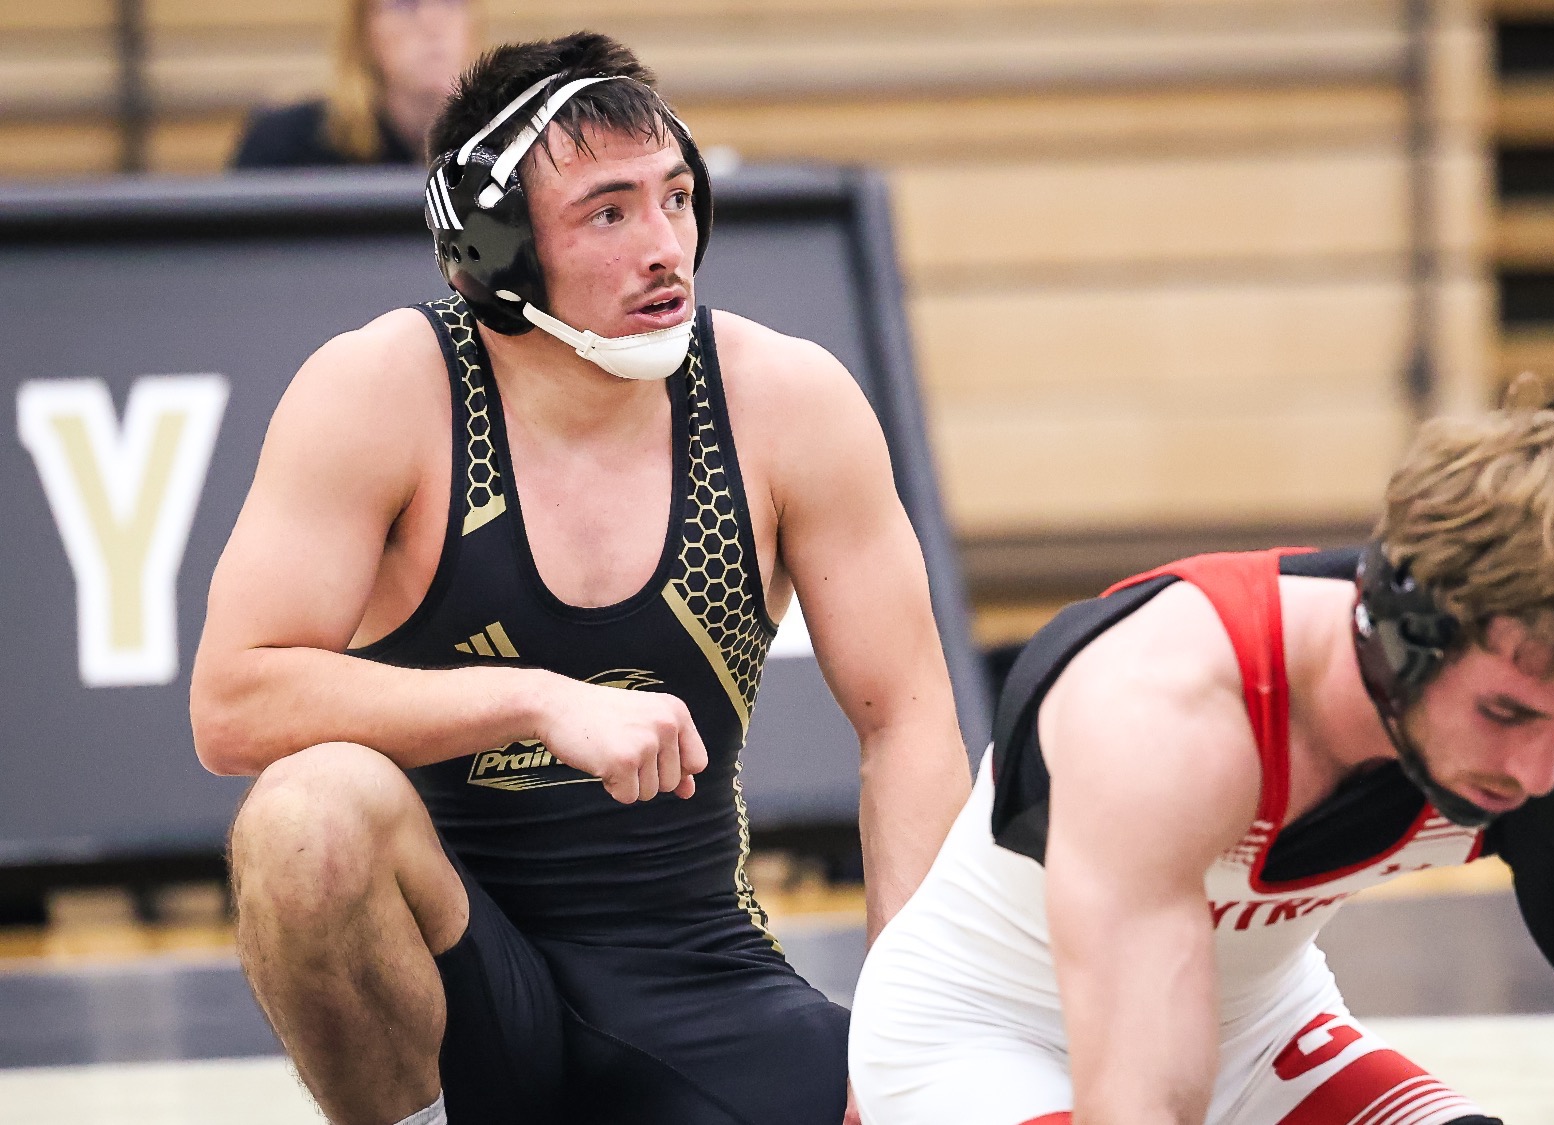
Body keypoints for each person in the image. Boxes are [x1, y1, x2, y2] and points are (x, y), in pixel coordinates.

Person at [191, 32, 971, 1125]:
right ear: (495, 256)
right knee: (303, 816)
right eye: (608, 213)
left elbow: (909, 722)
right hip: (453, 984)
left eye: (676, 199)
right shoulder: (379, 393)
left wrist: (906, 1045)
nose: (664, 248)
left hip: (695, 979)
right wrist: (532, 698)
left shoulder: (784, 401)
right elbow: (232, 704)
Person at [849, 391, 1554, 1125]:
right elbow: (1140, 1098)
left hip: (1264, 1033)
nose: (1536, 774)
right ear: (1405, 636)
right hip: (982, 1043)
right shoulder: (1166, 710)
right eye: (1507, 712)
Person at [233, 0, 475, 169]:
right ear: (364, 30)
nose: (433, 22)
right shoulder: (285, 149)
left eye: (451, 0)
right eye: (404, 3)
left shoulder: (501, 147)